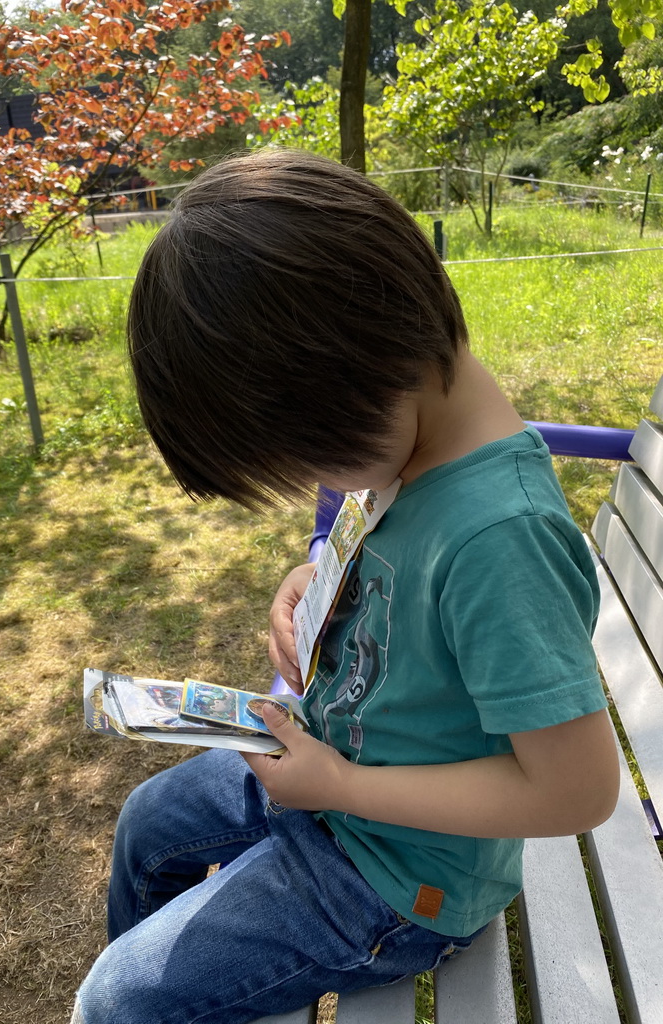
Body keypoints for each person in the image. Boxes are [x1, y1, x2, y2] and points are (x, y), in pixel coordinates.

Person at [71, 149, 620, 1024]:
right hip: (333, 775)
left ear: (361, 371)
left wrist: (339, 788)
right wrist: (307, 583)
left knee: (116, 1001)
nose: (312, 486)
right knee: (147, 826)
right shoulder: (414, 436)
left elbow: (579, 791)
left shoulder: (498, 538)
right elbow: (392, 563)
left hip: (405, 874)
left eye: (309, 457)